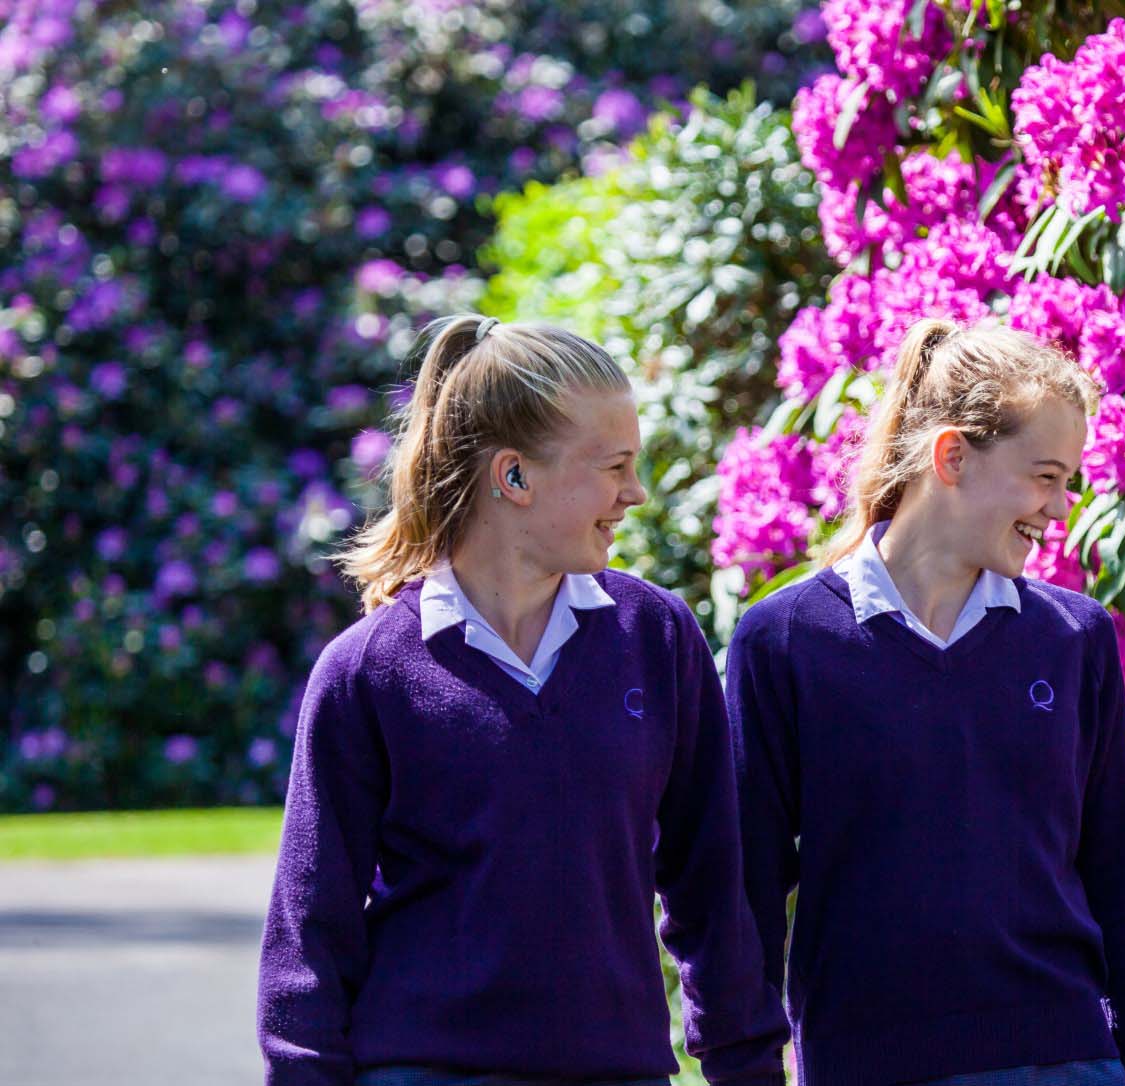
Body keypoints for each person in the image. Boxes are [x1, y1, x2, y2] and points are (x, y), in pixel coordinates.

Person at [257, 315, 786, 1086]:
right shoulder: (365, 672)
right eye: (614, 467)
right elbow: (310, 932)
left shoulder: (657, 637)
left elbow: (711, 885)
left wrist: (748, 1069)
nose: (634, 494)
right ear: (514, 477)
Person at [725, 319, 1125, 1086]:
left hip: (1065, 1062)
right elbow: (748, 887)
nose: (1061, 509)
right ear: (952, 455)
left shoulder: (1074, 637)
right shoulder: (784, 640)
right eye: (1045, 476)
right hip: (866, 1065)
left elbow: (1116, 876)